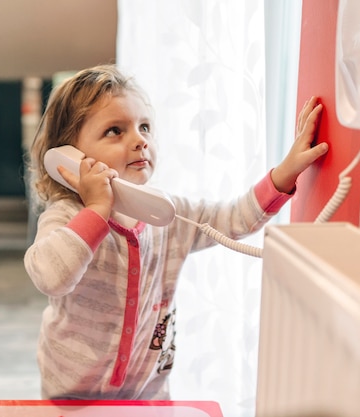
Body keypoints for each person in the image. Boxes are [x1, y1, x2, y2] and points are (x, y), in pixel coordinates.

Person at [24, 64, 328, 400]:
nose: (139, 140)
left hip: (148, 396)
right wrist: (97, 210)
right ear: (70, 158)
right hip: (71, 397)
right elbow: (52, 276)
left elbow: (231, 219)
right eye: (115, 130)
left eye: (144, 127)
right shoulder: (66, 217)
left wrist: (284, 174)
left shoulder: (168, 214)